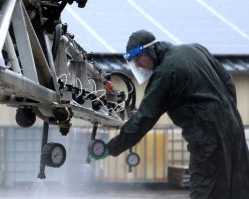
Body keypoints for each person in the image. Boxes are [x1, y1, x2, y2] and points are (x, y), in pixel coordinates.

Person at [96, 30, 249, 199]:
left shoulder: (166, 73)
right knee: (237, 187)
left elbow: (143, 119)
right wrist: (227, 117)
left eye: (138, 59)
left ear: (150, 51)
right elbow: (228, 81)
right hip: (234, 130)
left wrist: (111, 148)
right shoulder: (196, 49)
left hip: (208, 139)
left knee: (205, 189)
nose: (138, 65)